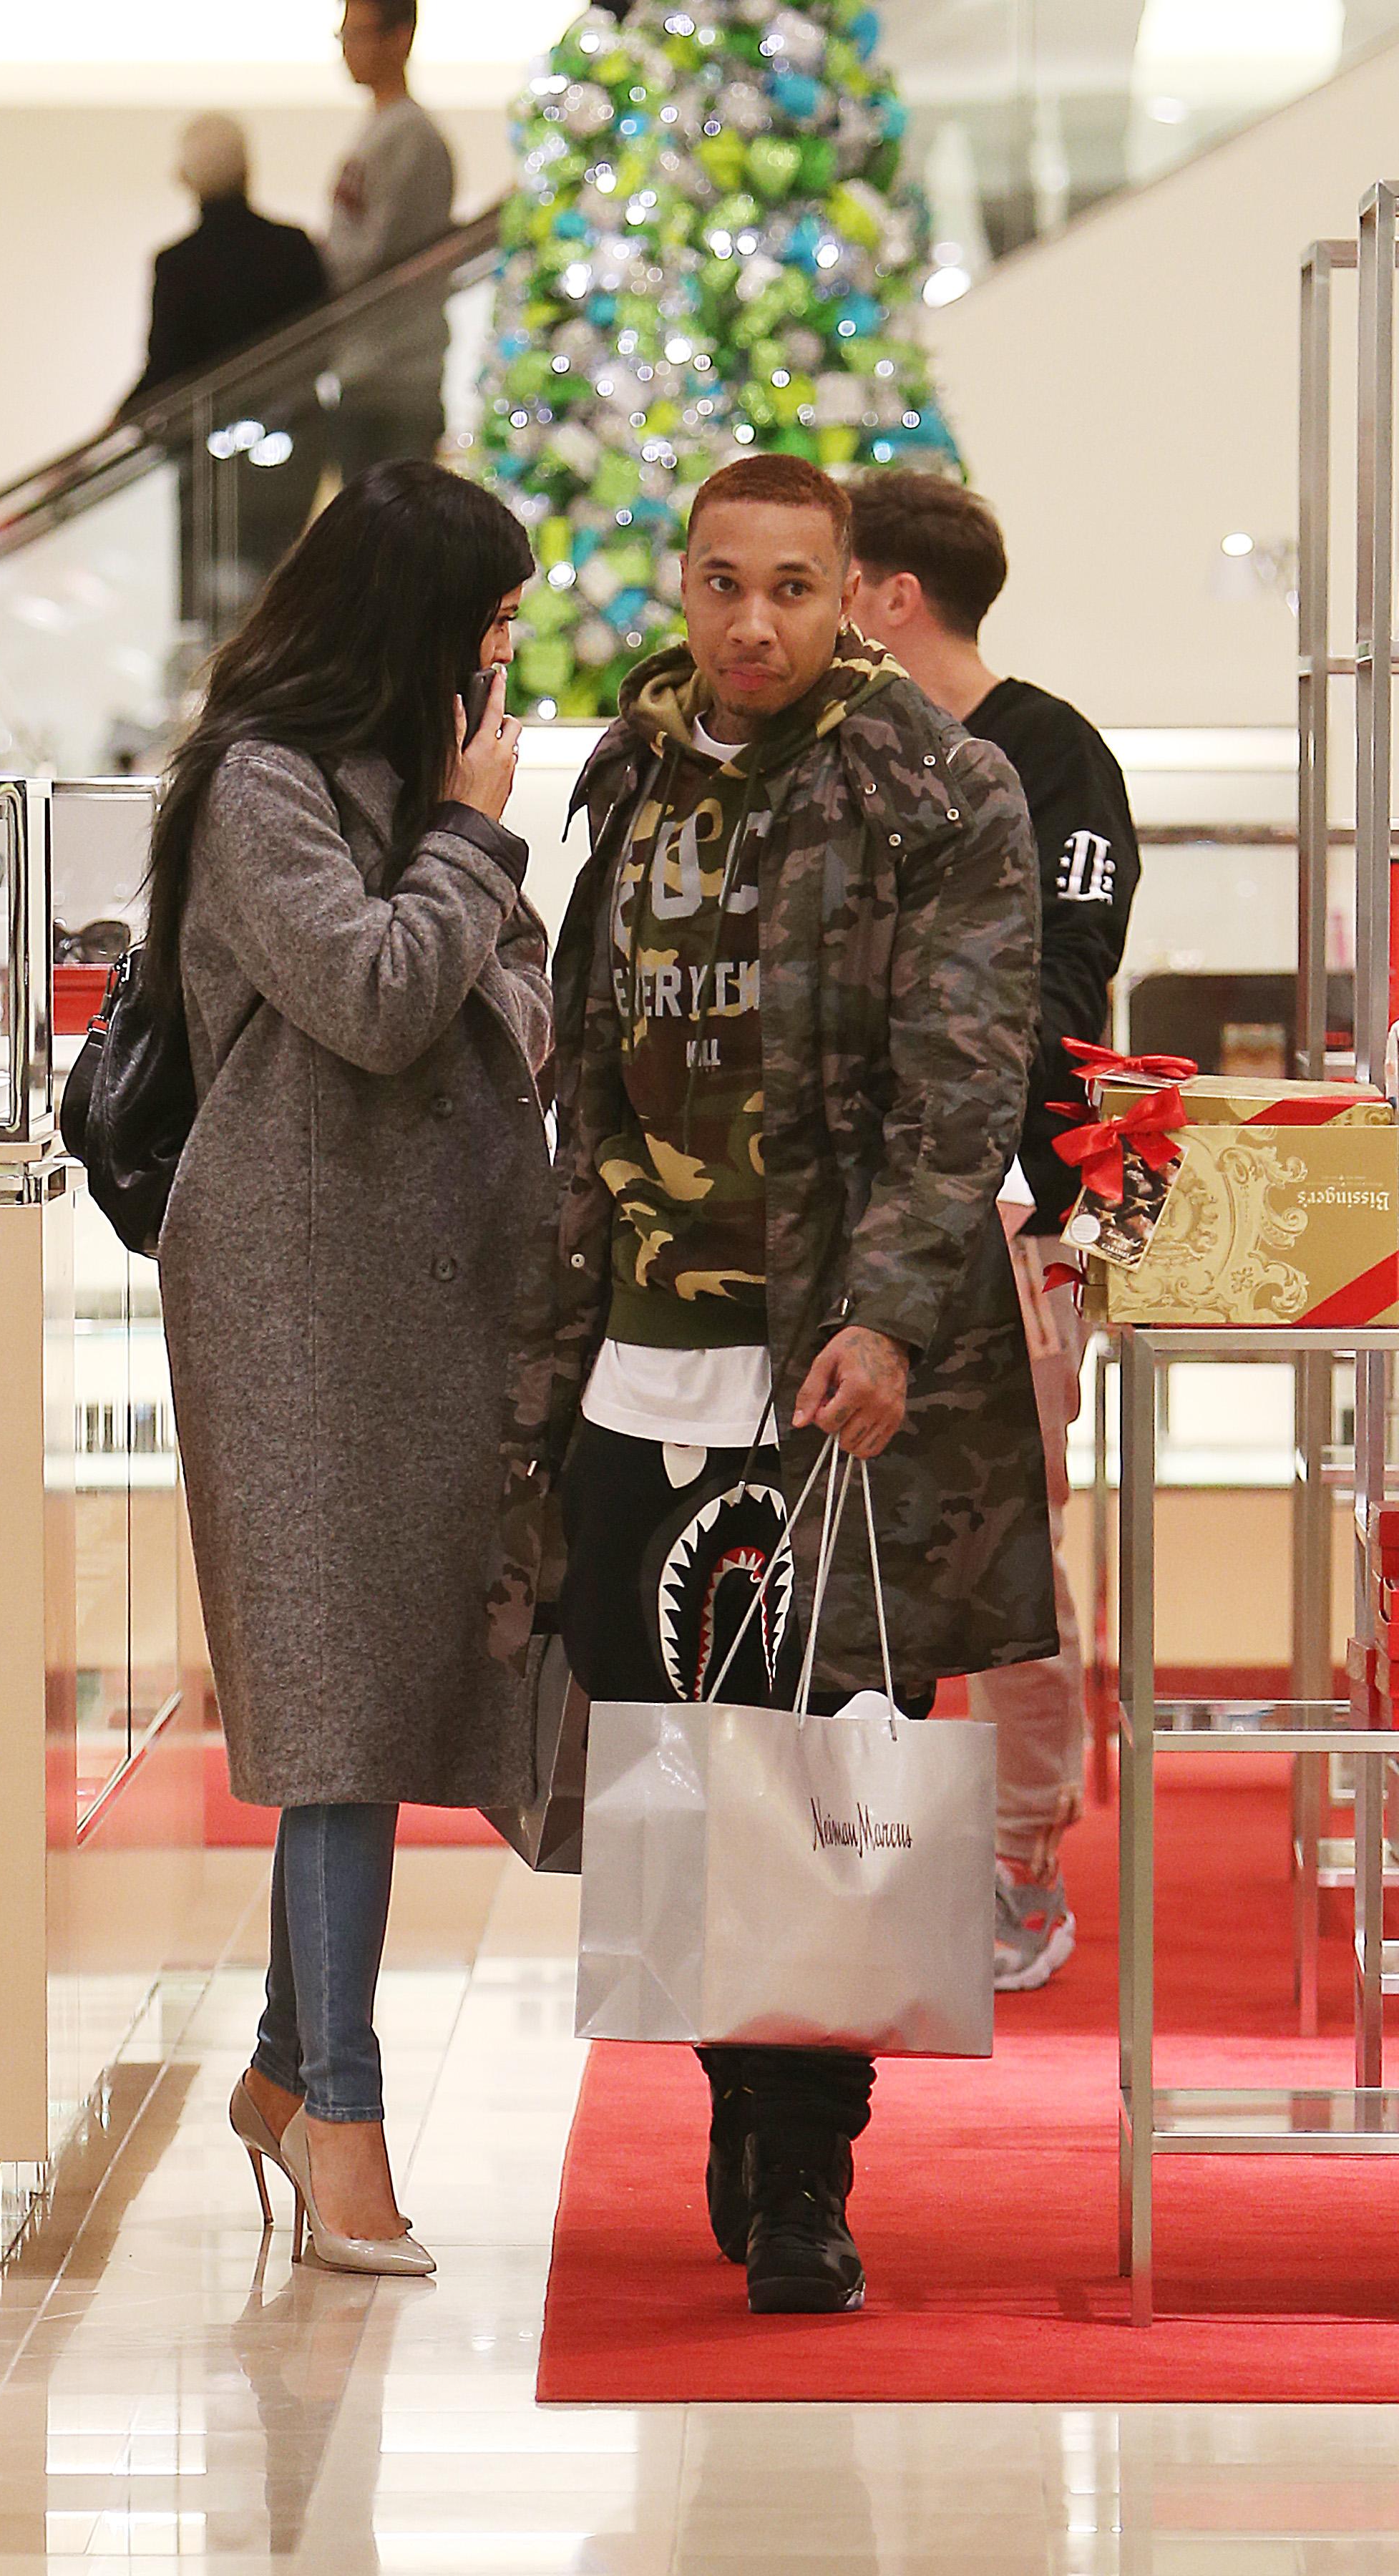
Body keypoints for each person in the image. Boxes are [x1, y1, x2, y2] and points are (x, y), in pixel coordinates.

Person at [489, 452, 1054, 2316]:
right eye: (723, 583)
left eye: (793, 588)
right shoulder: (636, 772)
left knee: (829, 1737)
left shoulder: (938, 790)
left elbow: (961, 1079)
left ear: (847, 596)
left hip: (842, 1360)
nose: (754, 623)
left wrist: (890, 1311)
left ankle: (808, 2159)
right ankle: (746, 2084)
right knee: (669, 1739)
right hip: (645, 1344)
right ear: (687, 582)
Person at [152, 462, 552, 2275]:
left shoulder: (423, 775)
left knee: (374, 1693)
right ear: (413, 614)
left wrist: (470, 874)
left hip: (453, 1282)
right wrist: (471, 848)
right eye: (488, 619)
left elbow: (522, 1000)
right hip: (297, 1294)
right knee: (333, 1709)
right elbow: (384, 997)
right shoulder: (262, 782)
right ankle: (344, 2117)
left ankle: (272, 2068)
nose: (502, 656)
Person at [848, 469, 1140, 1993]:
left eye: (826, 582)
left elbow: (1058, 999)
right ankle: (861, 1849)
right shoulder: (840, 754)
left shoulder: (1052, 757)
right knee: (850, 1555)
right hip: (852, 1224)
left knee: (1014, 1552)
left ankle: (1022, 1857)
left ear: (892, 597)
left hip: (1018, 1227)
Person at [121, 117, 330, 628]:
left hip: (207, 461)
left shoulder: (179, 264)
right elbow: (323, 348)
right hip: (290, 450)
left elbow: (165, 368)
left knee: (211, 606)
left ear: (187, 176)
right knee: (280, 590)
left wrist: (120, 420)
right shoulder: (293, 247)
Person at [326, 0, 457, 478]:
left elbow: (371, 253)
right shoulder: (377, 131)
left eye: (356, 34)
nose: (347, 50)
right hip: (366, 367)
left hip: (398, 373)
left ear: (399, 38)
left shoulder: (410, 137)